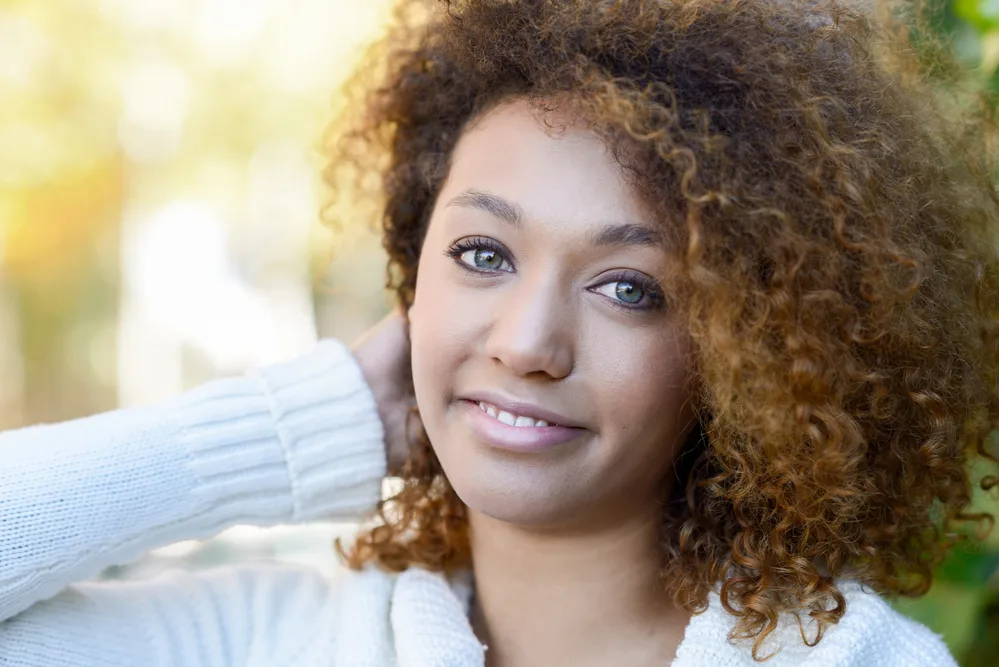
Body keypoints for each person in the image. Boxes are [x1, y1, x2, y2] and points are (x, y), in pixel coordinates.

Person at [1, 0, 997, 665]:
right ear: (410, 280)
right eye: (482, 255)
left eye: (629, 288)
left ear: (749, 355)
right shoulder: (274, 638)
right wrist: (312, 420)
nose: (526, 342)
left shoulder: (856, 660)